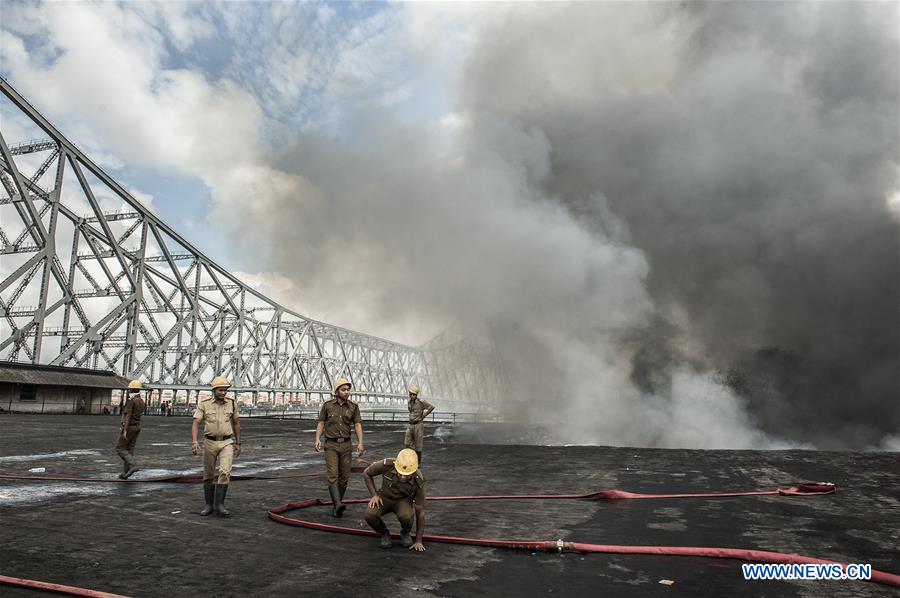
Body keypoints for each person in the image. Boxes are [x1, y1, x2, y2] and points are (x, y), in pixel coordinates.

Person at [191, 377, 241, 517]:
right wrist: (194, 442)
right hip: (209, 442)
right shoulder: (204, 404)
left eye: (225, 390)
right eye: (220, 390)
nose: (223, 392)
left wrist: (238, 443)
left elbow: (237, 423)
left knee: (225, 472)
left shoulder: (231, 404)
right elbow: (196, 423)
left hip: (226, 442)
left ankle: (219, 505)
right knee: (208, 474)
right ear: (213, 390)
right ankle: (208, 505)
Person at [314, 378, 364, 517]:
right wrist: (317, 439)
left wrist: (360, 443)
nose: (347, 392)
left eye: (348, 389)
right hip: (331, 445)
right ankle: (337, 505)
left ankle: (337, 504)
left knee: (344, 477)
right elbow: (321, 423)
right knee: (333, 475)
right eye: (343, 389)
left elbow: (358, 424)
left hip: (346, 445)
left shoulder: (353, 407)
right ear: (336, 391)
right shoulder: (327, 406)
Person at [363, 448, 427, 551]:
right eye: (400, 472)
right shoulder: (387, 464)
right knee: (369, 515)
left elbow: (420, 512)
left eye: (406, 474)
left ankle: (405, 533)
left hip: (402, 501)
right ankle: (384, 533)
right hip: (384, 497)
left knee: (406, 516)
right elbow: (367, 473)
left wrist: (418, 541)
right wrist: (374, 495)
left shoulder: (418, 480)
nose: (402, 476)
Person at [115, 380, 145, 479]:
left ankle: (133, 465)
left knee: (120, 448)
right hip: (137, 427)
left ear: (132, 389)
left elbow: (127, 416)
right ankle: (126, 473)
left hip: (130, 427)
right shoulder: (141, 401)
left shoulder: (131, 400)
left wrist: (125, 430)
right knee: (129, 450)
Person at [404, 385, 434, 464]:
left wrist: (424, 415)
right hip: (410, 425)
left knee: (418, 445)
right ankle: (411, 458)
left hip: (418, 425)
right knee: (407, 443)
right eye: (410, 394)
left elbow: (431, 407)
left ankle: (418, 463)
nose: (412, 396)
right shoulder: (409, 402)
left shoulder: (421, 402)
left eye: (413, 394)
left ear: (416, 395)